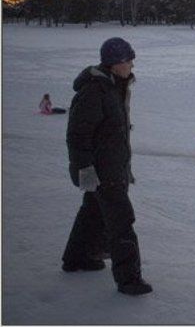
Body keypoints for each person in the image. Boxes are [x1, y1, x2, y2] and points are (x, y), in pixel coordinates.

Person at [62, 37, 152, 296]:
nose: (132, 64)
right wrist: (85, 169)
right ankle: (129, 279)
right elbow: (78, 135)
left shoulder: (114, 87)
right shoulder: (94, 91)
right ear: (115, 63)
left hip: (112, 166)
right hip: (102, 170)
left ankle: (77, 258)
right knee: (121, 221)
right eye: (128, 60)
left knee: (93, 212)